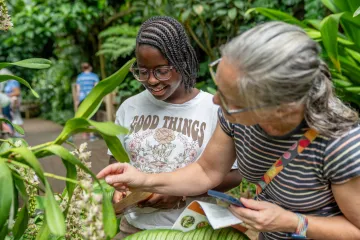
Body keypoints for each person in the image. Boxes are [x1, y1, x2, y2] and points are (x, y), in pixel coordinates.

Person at [98, 21, 360, 240]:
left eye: (229, 98)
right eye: (218, 87)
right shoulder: (234, 119)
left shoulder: (340, 145)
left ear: (275, 107)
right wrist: (144, 180)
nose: (215, 101)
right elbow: (205, 171)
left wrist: (293, 222)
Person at [107, 16, 242, 239]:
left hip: (193, 229)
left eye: (161, 70)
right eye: (142, 71)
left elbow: (234, 175)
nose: (151, 80)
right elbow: (117, 162)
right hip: (135, 229)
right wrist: (119, 189)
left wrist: (179, 191)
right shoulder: (129, 108)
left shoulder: (212, 108)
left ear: (181, 62)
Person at [76, 62, 99, 141]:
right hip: (91, 99)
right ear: (90, 67)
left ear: (83, 68)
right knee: (92, 117)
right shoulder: (94, 76)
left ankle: (85, 135)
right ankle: (92, 136)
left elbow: (78, 90)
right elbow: (97, 88)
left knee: (84, 117)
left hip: (82, 99)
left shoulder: (80, 77)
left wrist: (77, 100)